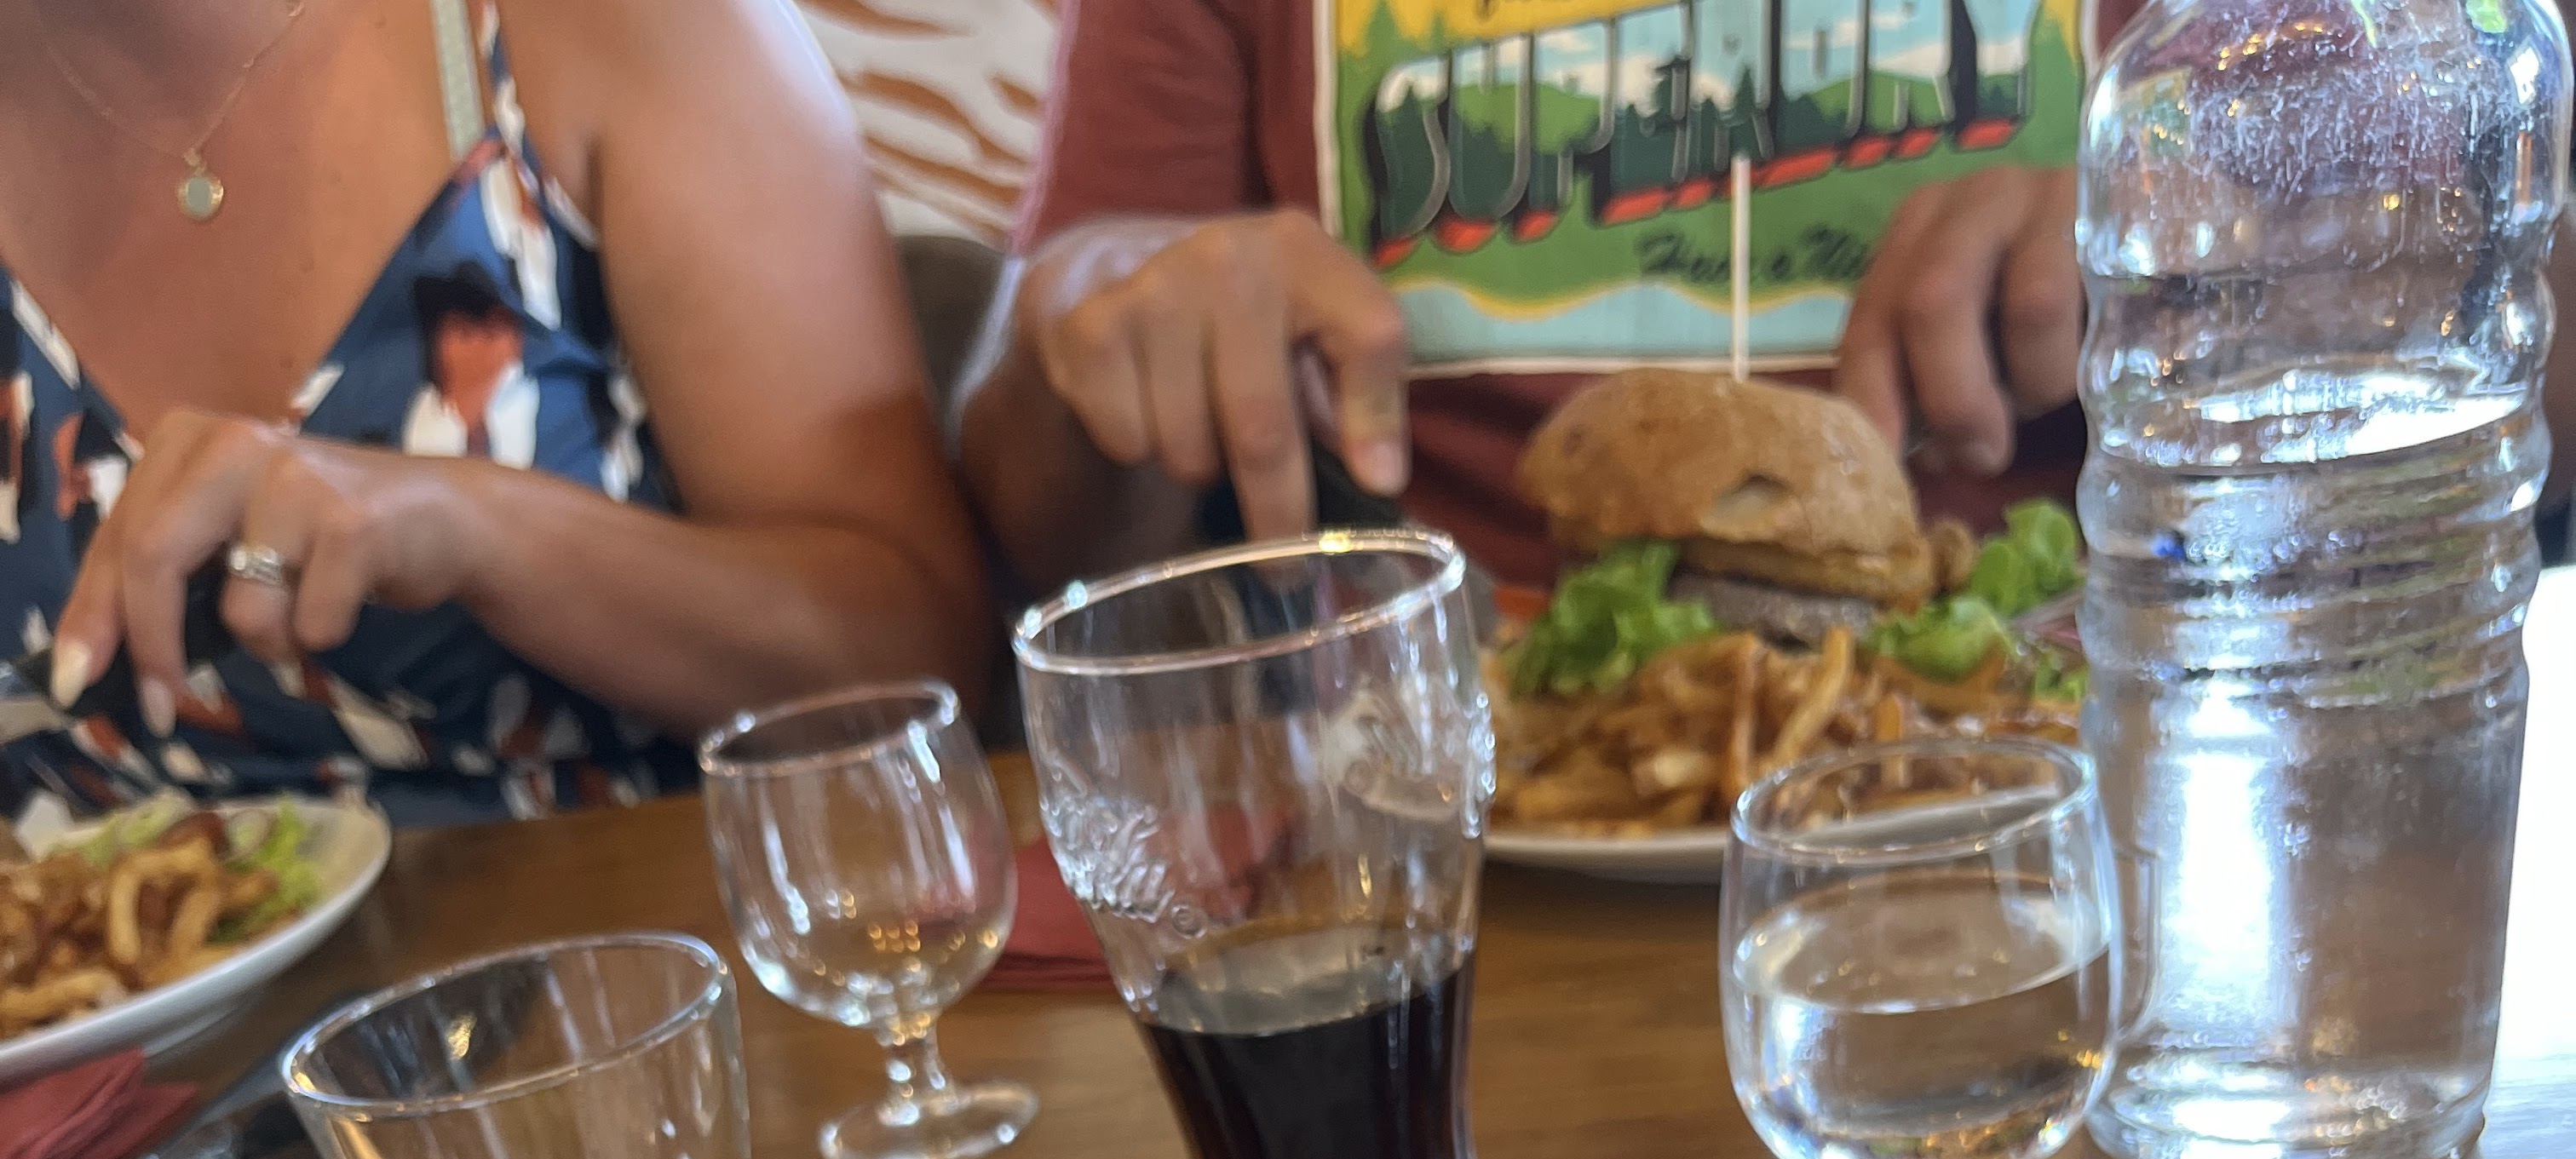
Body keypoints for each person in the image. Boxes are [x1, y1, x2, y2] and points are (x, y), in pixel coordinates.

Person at [0, 0, 991, 824]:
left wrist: (474, 526)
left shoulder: (608, 28)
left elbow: (917, 661)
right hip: (105, 1001)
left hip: (663, 965)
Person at [957, 0, 2095, 600]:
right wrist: (1096, 330)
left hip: (2054, 806)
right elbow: (1034, 532)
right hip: (1419, 825)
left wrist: (2165, 229)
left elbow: (2225, 246)